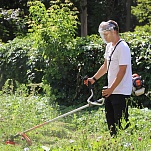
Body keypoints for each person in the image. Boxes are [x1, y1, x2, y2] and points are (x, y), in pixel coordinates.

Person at [85, 20, 132, 137]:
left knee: (120, 123)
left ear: (114, 31)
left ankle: (124, 145)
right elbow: (105, 66)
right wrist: (93, 79)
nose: (105, 37)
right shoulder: (109, 47)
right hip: (110, 91)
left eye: (107, 34)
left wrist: (111, 89)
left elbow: (122, 71)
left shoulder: (123, 47)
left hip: (120, 92)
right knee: (110, 122)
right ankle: (114, 143)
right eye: (103, 34)